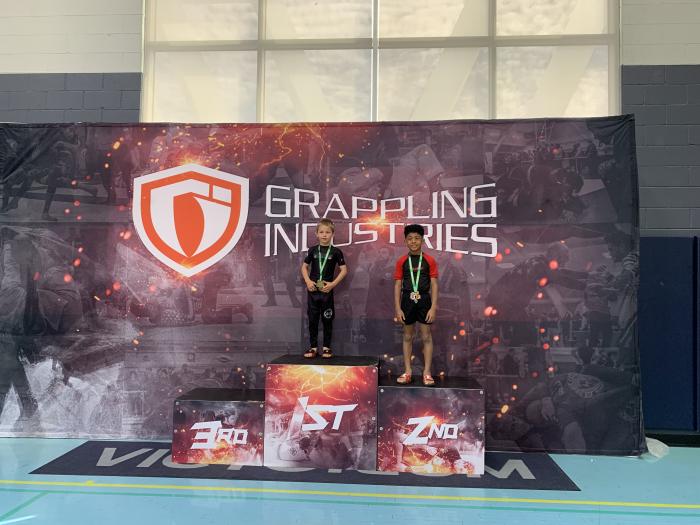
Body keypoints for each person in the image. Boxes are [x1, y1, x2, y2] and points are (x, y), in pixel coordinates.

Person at [394, 224, 439, 386]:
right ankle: (408, 371)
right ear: (405, 241)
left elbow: (434, 285)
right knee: (407, 336)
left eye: (417, 238)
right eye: (410, 238)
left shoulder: (429, 260)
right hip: (407, 300)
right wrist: (398, 308)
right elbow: (397, 285)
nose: (413, 241)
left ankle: (427, 372)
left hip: (424, 300)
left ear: (422, 240)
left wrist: (433, 307)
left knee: (426, 336)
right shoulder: (402, 261)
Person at [300, 218, 347, 358]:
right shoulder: (312, 250)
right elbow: (304, 267)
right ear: (316, 234)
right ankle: (313, 347)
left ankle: (327, 347)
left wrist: (332, 284)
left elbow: (344, 270)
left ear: (333, 234)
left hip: (327, 291)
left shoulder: (336, 252)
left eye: (327, 232)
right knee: (313, 320)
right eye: (321, 232)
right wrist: (308, 281)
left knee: (327, 319)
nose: (324, 235)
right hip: (313, 290)